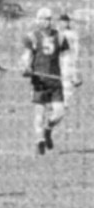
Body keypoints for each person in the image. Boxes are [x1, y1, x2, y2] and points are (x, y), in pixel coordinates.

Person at [21, 8, 70, 156]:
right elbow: (26, 56)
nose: (46, 22)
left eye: (48, 18)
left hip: (55, 81)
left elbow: (66, 59)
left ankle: (47, 130)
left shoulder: (60, 37)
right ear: (37, 20)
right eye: (43, 18)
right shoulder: (32, 37)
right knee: (39, 113)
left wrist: (72, 74)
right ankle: (39, 141)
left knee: (59, 113)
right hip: (39, 81)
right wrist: (26, 67)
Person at [57, 14, 82, 109]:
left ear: (68, 23)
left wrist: (76, 58)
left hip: (68, 58)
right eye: (61, 22)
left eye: (65, 22)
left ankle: (66, 101)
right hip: (59, 58)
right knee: (57, 79)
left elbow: (76, 47)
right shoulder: (57, 32)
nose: (63, 24)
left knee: (67, 80)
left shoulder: (72, 34)